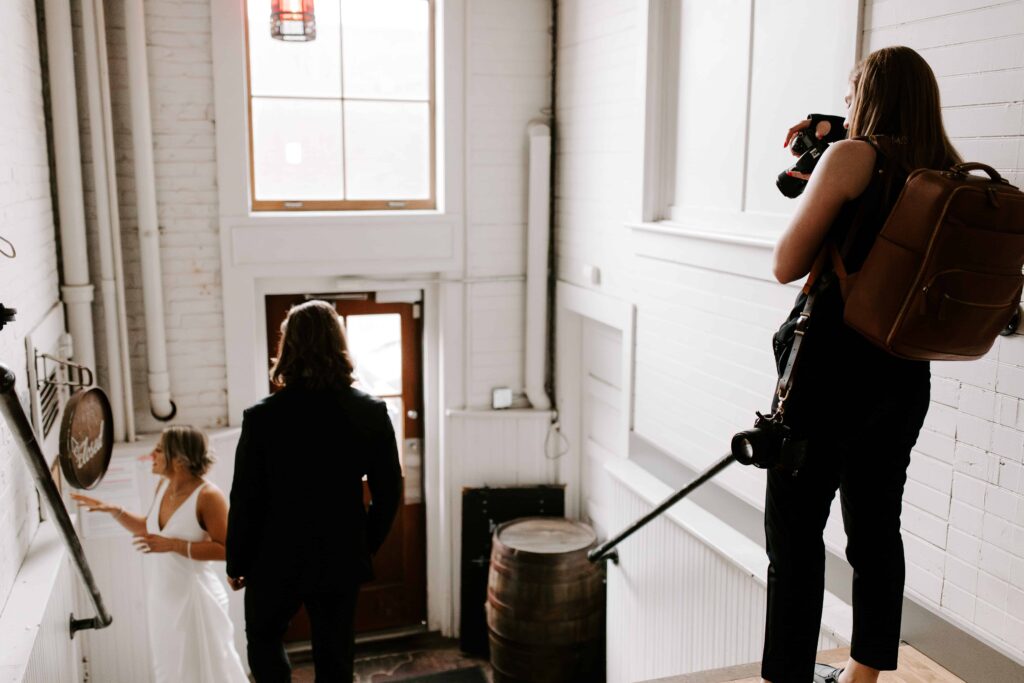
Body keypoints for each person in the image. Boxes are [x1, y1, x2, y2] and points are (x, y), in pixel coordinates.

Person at [762, 46, 961, 683]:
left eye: (852, 95)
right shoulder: (950, 174)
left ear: (868, 96)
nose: (845, 106)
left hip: (830, 375)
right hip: (904, 375)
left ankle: (788, 675)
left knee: (795, 534)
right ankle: (865, 675)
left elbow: (785, 264)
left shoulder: (856, 158)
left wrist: (825, 167)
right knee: (877, 529)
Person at [226, 299, 403, 682]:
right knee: (335, 655)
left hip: (273, 556)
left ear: (287, 347)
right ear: (338, 343)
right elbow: (389, 493)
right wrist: (363, 544)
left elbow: (245, 498)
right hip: (339, 553)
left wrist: (237, 561)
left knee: (263, 638)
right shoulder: (369, 412)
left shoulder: (261, 419)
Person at [72, 426, 248, 683]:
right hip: (164, 599)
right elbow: (149, 528)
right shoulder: (163, 487)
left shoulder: (209, 496)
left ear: (178, 458)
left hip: (196, 598)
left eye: (158, 450)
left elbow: (228, 550)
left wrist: (174, 545)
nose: (152, 454)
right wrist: (114, 510)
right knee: (171, 670)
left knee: (207, 671)